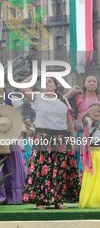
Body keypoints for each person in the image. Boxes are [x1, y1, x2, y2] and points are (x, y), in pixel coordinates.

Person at [20, 70, 80, 210]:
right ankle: (41, 201)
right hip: (44, 137)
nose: (46, 83)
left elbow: (69, 121)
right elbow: (22, 86)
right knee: (42, 168)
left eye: (50, 81)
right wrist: (34, 75)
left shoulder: (62, 100)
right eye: (44, 82)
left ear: (55, 86)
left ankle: (58, 200)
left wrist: (73, 139)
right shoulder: (38, 97)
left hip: (61, 138)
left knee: (59, 169)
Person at [64, 74, 100, 176]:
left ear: (97, 84)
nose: (92, 83)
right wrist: (72, 91)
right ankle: (81, 181)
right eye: (89, 81)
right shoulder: (78, 97)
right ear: (84, 84)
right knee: (81, 160)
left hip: (97, 134)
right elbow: (62, 101)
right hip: (81, 133)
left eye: (94, 81)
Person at [79, 104, 100, 208]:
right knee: (92, 176)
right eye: (94, 112)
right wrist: (87, 113)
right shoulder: (88, 123)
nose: (96, 114)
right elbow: (82, 118)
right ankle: (91, 200)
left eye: (99, 112)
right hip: (92, 154)